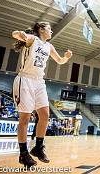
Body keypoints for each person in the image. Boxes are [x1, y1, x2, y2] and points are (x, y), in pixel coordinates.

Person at [12, 22, 72, 168]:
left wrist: (67, 57)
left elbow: (59, 61)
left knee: (45, 115)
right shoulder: (32, 39)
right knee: (25, 118)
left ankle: (38, 147)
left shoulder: (49, 46)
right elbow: (14, 33)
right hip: (25, 80)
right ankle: (23, 153)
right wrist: (21, 34)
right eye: (49, 29)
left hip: (39, 82)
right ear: (41, 29)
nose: (51, 31)